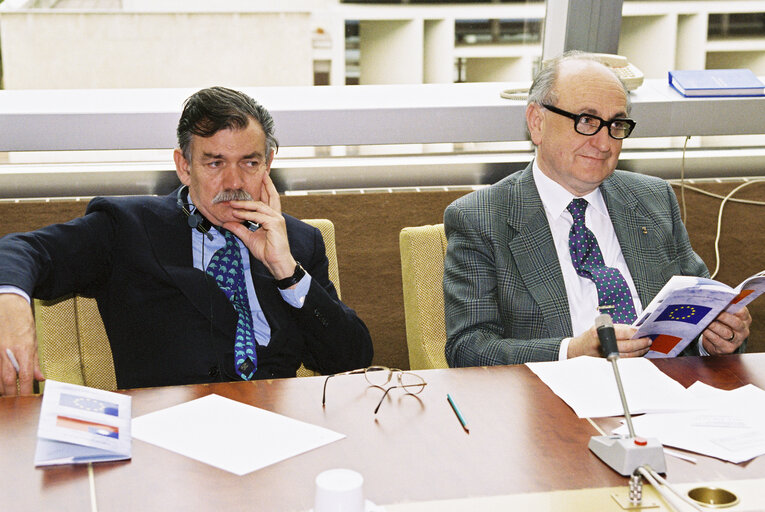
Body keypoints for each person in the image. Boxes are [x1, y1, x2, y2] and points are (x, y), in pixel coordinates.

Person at [0, 86, 372, 395]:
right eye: (215, 163)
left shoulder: (299, 242)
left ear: (268, 164)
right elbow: (24, 251)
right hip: (168, 440)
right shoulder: (127, 228)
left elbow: (351, 361)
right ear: (183, 165)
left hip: (277, 431)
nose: (234, 182)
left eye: (250, 162)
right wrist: (11, 301)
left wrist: (285, 270)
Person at [443, 51, 751, 367]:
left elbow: (700, 313)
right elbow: (468, 349)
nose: (604, 143)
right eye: (587, 121)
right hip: (551, 402)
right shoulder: (479, 218)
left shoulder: (653, 199)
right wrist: (571, 352)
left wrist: (714, 338)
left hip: (662, 390)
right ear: (537, 122)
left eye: (616, 124)